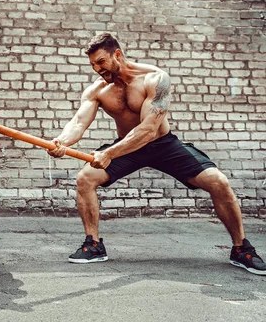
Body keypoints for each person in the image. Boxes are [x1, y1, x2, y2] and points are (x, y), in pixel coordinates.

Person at [48, 32, 265, 275]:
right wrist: (61, 142)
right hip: (127, 147)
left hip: (162, 145)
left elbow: (149, 130)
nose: (97, 69)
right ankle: (94, 244)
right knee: (85, 179)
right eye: (93, 65)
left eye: (101, 62)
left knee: (218, 182)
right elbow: (78, 122)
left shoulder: (155, 79)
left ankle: (241, 249)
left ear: (117, 54)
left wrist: (109, 153)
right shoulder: (98, 89)